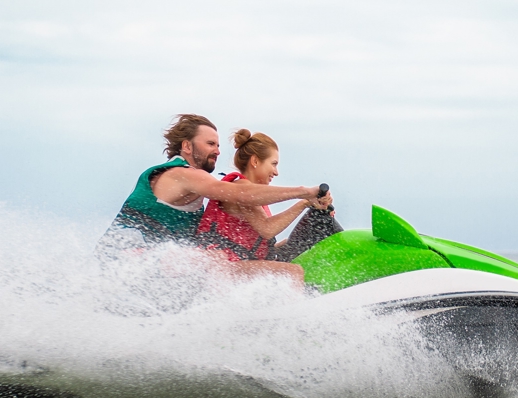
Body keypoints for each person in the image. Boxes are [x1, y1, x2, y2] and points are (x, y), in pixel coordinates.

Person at [105, 114, 328, 249]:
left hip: (150, 269)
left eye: (218, 145)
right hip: (123, 265)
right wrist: (304, 193)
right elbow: (236, 193)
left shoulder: (194, 188)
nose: (218, 151)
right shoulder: (180, 173)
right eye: (210, 144)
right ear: (187, 146)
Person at [196, 129, 343, 282]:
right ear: (255, 161)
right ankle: (299, 305)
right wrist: (304, 201)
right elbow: (267, 229)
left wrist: (314, 224)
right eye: (273, 164)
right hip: (224, 267)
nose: (276, 172)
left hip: (244, 263)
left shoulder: (258, 196)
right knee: (292, 272)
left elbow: (263, 247)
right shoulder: (241, 189)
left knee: (318, 226)